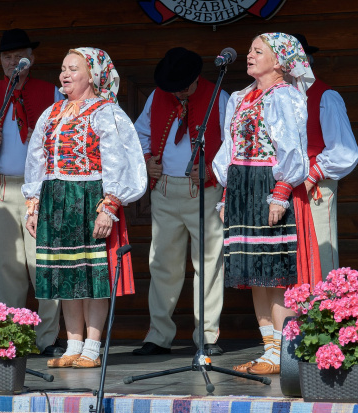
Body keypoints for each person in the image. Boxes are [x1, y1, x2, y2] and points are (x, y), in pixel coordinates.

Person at [23, 47, 147, 368]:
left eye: (73, 69)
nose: (65, 74)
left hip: (91, 198)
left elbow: (119, 161)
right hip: (55, 199)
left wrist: (110, 205)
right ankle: (72, 342)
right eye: (63, 68)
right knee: (67, 274)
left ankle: (92, 345)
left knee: (93, 275)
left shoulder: (106, 112)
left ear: (92, 75)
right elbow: (36, 160)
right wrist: (33, 203)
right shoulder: (51, 113)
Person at [212, 33, 321, 375]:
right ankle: (268, 350)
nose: (249, 55)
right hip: (242, 186)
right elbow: (229, 148)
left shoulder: (284, 96)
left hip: (269, 185)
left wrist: (282, 191)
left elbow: (291, 146)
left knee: (275, 274)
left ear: (278, 62)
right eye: (249, 49)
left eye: (257, 51)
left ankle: (283, 353)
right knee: (253, 274)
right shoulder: (241, 97)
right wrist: (227, 194)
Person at [0, 28, 64, 357]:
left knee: (44, 264)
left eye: (19, 56)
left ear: (32, 58)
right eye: (6, 57)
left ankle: (47, 338)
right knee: (9, 266)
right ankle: (14, 337)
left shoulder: (52, 92)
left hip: (40, 189)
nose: (13, 63)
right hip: (3, 186)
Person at [132, 48, 229, 357]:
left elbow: (233, 143)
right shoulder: (156, 97)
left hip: (205, 190)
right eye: (173, 86)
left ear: (196, 78)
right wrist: (148, 161)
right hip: (164, 189)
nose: (178, 91)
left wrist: (214, 169)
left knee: (209, 263)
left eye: (183, 85)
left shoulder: (220, 97)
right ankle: (159, 335)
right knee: (162, 263)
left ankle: (207, 336)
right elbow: (140, 134)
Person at [292, 33, 358, 279]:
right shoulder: (277, 98)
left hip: (315, 188)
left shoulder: (325, 96)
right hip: (284, 191)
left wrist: (313, 176)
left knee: (320, 258)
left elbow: (345, 152)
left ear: (306, 61)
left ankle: (322, 315)